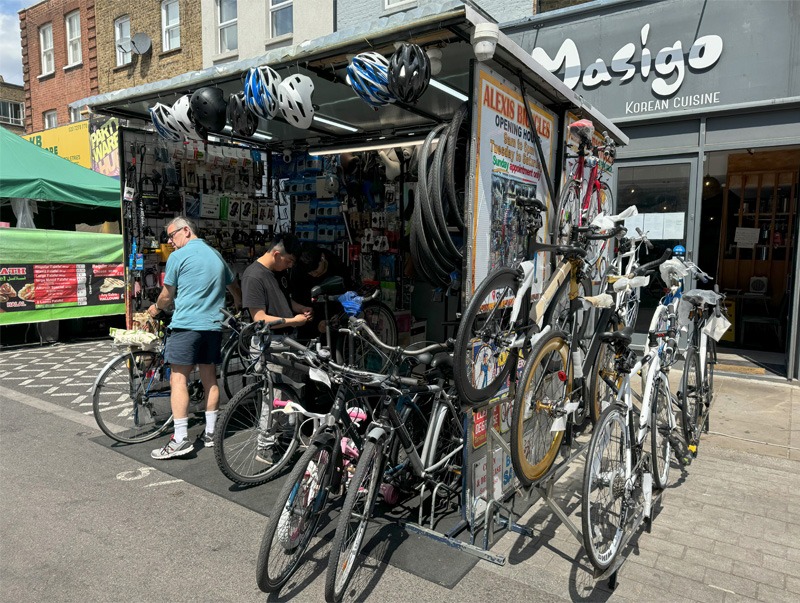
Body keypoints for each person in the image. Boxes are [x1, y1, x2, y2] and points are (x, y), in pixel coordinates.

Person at [149, 216, 242, 460]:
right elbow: (234, 287)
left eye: (172, 236)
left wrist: (155, 309)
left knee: (178, 380)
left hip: (187, 326)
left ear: (186, 230)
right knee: (209, 378)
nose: (170, 241)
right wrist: (237, 305)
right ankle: (211, 433)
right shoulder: (216, 255)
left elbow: (167, 296)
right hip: (212, 327)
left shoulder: (178, 257)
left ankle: (180, 438)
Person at [240, 233, 312, 465]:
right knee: (273, 396)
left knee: (292, 392)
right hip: (269, 342)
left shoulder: (277, 273)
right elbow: (259, 318)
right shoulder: (253, 276)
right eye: (289, 261)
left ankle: (289, 439)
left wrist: (300, 309)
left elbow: (283, 300)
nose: (290, 266)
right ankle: (266, 447)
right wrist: (294, 321)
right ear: (276, 253)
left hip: (288, 341)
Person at [290, 243, 355, 342]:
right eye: (310, 273)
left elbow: (347, 293)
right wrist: (316, 323)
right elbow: (298, 300)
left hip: (333, 316)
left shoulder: (336, 266)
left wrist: (339, 315)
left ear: (322, 258)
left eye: (316, 271)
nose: (314, 275)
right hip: (309, 318)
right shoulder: (300, 270)